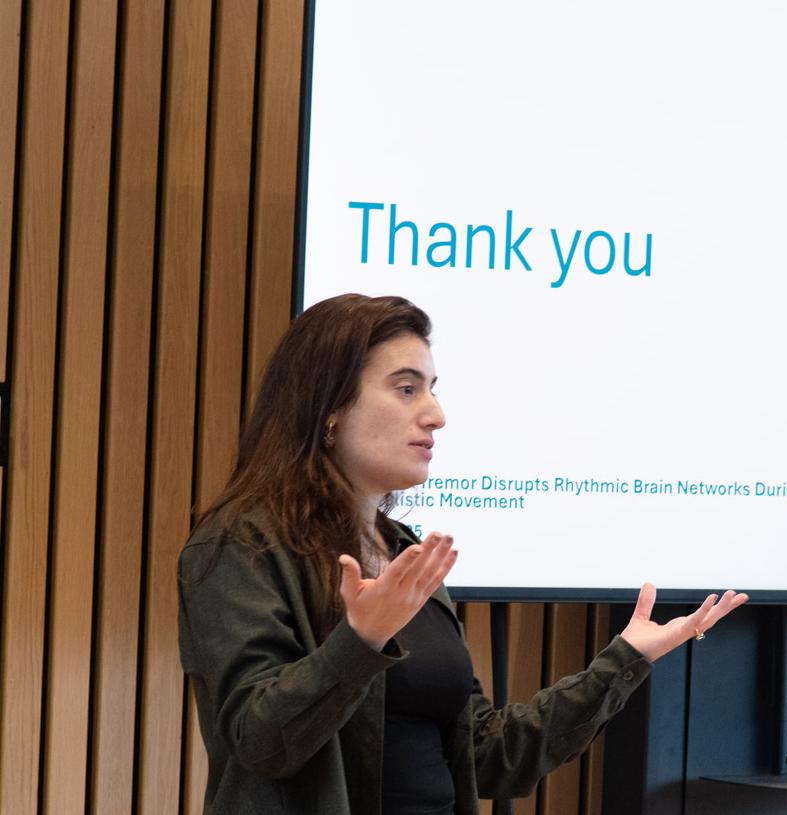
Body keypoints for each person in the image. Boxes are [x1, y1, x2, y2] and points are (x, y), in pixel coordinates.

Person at [177, 293, 748, 815]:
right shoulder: (240, 544)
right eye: (406, 389)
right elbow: (258, 741)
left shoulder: (403, 551)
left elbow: (484, 753)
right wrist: (359, 642)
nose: (435, 414)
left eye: (432, 388)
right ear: (328, 407)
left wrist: (622, 662)